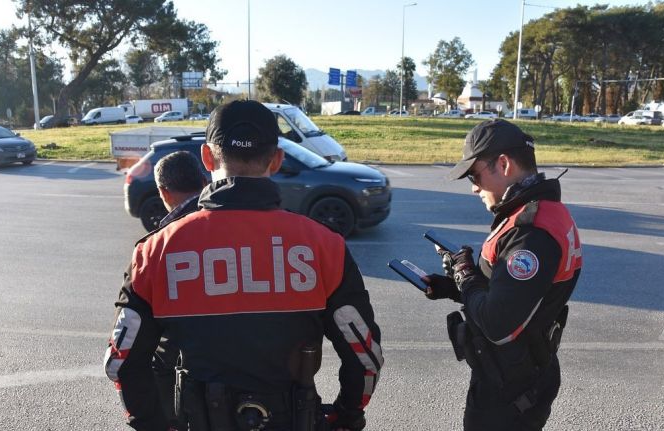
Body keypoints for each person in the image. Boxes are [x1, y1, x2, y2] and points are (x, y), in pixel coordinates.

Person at [104, 100, 383, 431]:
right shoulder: (324, 246)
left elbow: (121, 361)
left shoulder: (156, 251)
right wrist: (346, 416)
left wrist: (153, 425)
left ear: (207, 157)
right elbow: (365, 357)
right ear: (276, 160)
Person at [422, 119, 583, 430]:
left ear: (504, 164)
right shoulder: (538, 212)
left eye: (475, 175)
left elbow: (498, 322)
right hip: (518, 373)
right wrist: (453, 286)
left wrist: (465, 274)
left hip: (509, 391)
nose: (474, 187)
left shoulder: (531, 232)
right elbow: (516, 294)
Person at [152, 150, 207, 429]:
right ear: (204, 180)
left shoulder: (162, 242)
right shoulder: (230, 218)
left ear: (164, 192)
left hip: (189, 366)